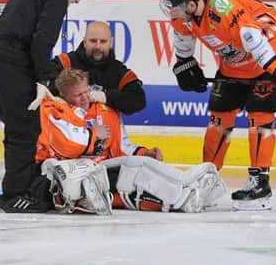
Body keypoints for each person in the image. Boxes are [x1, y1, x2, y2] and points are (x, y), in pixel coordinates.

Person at [159, 0, 276, 211]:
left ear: (191, 4)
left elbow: (252, 37)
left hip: (264, 40)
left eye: (175, 8)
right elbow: (183, 41)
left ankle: (261, 183)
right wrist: (184, 65)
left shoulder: (222, 7)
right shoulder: (183, 14)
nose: (172, 13)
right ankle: (207, 177)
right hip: (234, 58)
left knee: (260, 113)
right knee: (219, 114)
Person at [0, 0, 93, 213]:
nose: (79, 1)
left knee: (20, 127)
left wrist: (42, 76)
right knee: (25, 130)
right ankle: (13, 196)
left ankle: (24, 187)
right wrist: (43, 78)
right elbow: (43, 39)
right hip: (10, 63)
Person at [36, 69, 226, 214]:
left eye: (86, 91)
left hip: (102, 170)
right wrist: (93, 134)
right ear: (64, 95)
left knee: (138, 163)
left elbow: (121, 148)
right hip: (77, 175)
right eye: (78, 95)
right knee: (133, 180)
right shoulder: (56, 111)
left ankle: (188, 186)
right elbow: (67, 146)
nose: (85, 97)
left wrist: (144, 153)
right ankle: (185, 195)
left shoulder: (104, 111)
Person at [51, 20, 162, 160]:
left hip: (101, 153)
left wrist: (106, 97)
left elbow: (138, 100)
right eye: (93, 41)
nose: (97, 46)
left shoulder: (118, 72)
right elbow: (45, 88)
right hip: (65, 151)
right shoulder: (65, 63)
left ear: (110, 42)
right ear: (84, 42)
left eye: (103, 41)